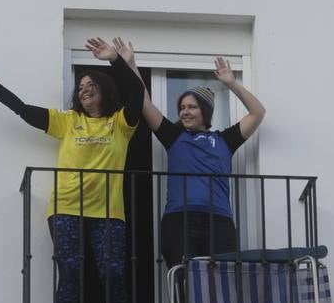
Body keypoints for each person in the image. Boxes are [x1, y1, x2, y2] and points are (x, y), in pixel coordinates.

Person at [0, 36, 143, 303]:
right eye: (80, 86)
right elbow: (23, 110)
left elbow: (137, 94)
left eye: (91, 85)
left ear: (104, 91)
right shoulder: (67, 121)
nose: (84, 89)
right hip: (66, 208)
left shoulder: (120, 125)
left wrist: (116, 60)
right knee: (70, 271)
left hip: (109, 212)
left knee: (113, 274)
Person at [113, 38, 265, 268]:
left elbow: (257, 112)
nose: (185, 112)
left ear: (205, 111)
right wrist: (131, 65)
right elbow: (144, 102)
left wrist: (232, 83)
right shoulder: (174, 136)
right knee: (183, 285)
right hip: (179, 221)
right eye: (182, 107)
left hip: (220, 221)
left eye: (191, 107)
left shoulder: (224, 139)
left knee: (218, 286)